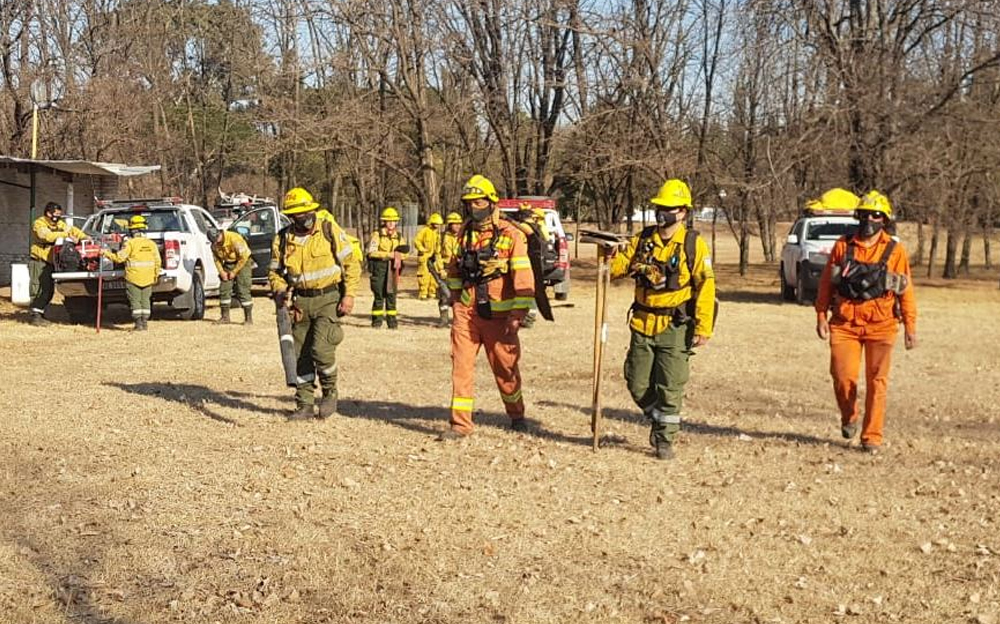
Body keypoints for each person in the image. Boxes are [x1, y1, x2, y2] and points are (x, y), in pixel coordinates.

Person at [609, 179, 716, 460]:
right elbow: (617, 268)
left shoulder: (693, 245)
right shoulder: (642, 240)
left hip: (675, 326)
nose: (662, 213)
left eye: (669, 208)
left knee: (670, 386)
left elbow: (706, 286)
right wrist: (607, 256)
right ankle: (658, 418)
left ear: (683, 212)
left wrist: (704, 327)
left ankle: (664, 439)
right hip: (642, 323)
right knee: (636, 381)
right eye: (660, 207)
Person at [815, 190, 917, 454]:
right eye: (865, 214)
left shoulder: (895, 251)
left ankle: (872, 436)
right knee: (842, 376)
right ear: (857, 216)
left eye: (876, 215)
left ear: (884, 219)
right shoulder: (843, 245)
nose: (869, 220)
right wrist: (821, 314)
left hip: (882, 325)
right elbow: (826, 283)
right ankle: (849, 416)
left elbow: (905, 290)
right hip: (845, 323)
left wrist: (910, 326)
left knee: (877, 382)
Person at [440, 175, 535, 440]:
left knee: (506, 369)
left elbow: (524, 279)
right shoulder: (464, 233)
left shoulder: (511, 234)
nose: (474, 207)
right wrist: (455, 299)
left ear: (492, 202)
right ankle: (460, 425)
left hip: (499, 317)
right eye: (469, 203)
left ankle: (516, 415)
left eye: (479, 202)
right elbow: (454, 269)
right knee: (461, 367)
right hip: (467, 313)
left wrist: (517, 315)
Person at [269, 187, 361, 420]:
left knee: (321, 349)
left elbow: (351, 263)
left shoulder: (328, 229)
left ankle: (330, 391)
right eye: (297, 215)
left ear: (312, 210)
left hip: (328, 298)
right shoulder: (282, 239)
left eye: (306, 212)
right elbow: (275, 272)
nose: (303, 218)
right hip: (300, 303)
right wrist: (279, 289)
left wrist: (349, 295)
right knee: (300, 355)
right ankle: (305, 404)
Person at [28, 201, 88, 325]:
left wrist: (85, 237)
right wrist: (67, 235)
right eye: (55, 214)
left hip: (52, 262)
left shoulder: (60, 224)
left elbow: (73, 230)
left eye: (59, 215)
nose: (58, 217)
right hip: (40, 261)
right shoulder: (39, 224)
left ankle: (40, 314)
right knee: (38, 288)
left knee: (49, 290)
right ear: (48, 213)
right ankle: (35, 316)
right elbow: (47, 236)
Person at [101, 215, 162, 331]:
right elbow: (158, 261)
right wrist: (155, 275)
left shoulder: (129, 244)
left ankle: (138, 324)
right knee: (145, 300)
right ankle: (145, 323)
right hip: (148, 277)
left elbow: (119, 258)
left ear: (132, 230)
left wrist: (105, 253)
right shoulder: (151, 244)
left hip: (133, 278)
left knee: (135, 301)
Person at [366, 207, 408, 329]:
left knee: (391, 296)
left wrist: (398, 256)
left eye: (393, 221)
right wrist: (388, 255)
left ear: (396, 222)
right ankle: (377, 323)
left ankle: (392, 323)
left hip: (393, 269)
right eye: (388, 221)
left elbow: (405, 253)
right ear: (384, 222)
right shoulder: (377, 235)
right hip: (379, 267)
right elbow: (372, 252)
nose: (391, 223)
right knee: (379, 295)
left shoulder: (399, 237)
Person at [207, 226, 254, 324]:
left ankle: (248, 318)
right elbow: (217, 260)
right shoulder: (214, 245)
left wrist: (234, 272)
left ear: (220, 234)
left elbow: (243, 257)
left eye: (217, 239)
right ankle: (225, 317)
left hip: (242, 262)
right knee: (224, 288)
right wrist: (221, 272)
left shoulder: (234, 239)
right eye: (214, 241)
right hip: (228, 263)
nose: (216, 242)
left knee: (243, 288)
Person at [415, 213, 444, 300]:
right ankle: (423, 293)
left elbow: (438, 244)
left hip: (434, 256)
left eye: (438, 224)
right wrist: (422, 249)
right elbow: (417, 241)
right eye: (436, 224)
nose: (437, 226)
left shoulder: (437, 233)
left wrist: (437, 253)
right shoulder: (424, 230)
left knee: (434, 275)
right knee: (424, 275)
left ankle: (432, 292)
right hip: (425, 256)